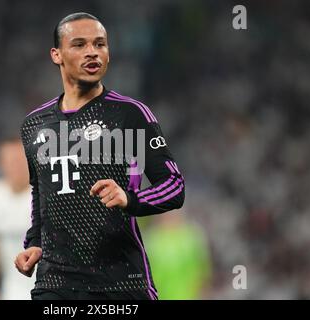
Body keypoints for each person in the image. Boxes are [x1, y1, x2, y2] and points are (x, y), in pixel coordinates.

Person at [14, 12, 185, 300]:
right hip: (55, 284)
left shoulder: (130, 114)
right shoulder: (34, 124)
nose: (92, 52)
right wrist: (34, 243)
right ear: (57, 55)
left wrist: (131, 199)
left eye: (100, 44)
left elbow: (174, 186)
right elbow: (40, 193)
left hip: (121, 283)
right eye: (79, 44)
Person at [0, 137, 35, 300]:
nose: (15, 166)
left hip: (46, 289)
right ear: (1, 163)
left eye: (19, 160)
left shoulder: (43, 196)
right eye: (9, 161)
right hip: (11, 291)